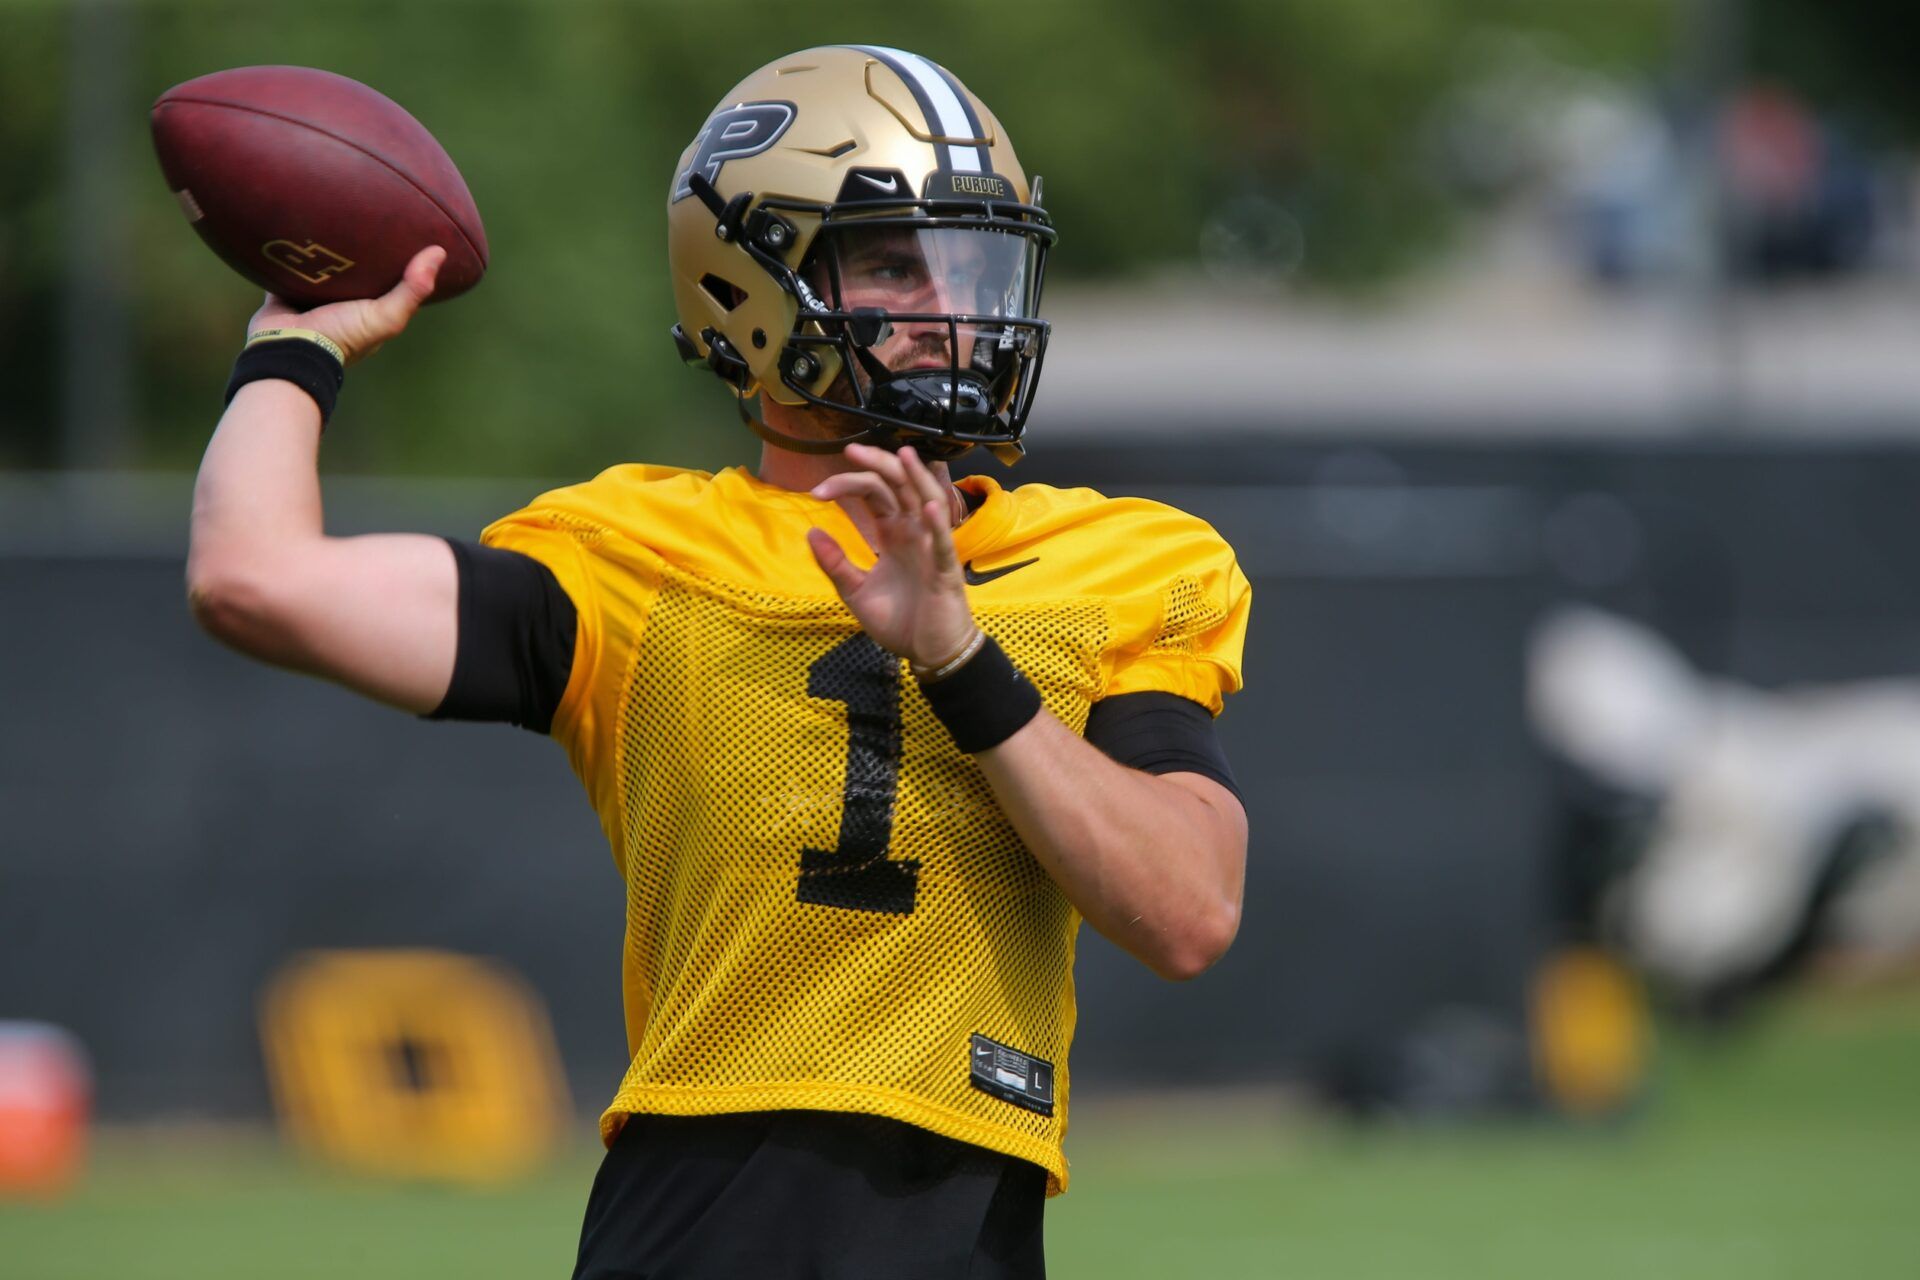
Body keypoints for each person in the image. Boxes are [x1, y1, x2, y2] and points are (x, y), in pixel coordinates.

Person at [187, 44, 1251, 1280]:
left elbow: (1188, 911)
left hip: (973, 1226)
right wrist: (297, 347)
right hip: (708, 1213)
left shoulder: (1117, 557)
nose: (949, 305)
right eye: (896, 262)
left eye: (967, 259)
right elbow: (250, 578)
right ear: (755, 281)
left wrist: (960, 654)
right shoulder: (634, 555)